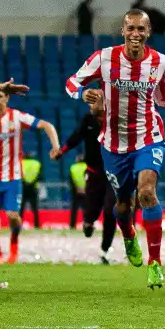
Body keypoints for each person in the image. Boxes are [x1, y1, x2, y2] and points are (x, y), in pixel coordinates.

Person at [66, 9, 165, 289]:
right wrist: (83, 93)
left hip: (148, 137)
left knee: (147, 192)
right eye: (131, 29)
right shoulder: (104, 58)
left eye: (141, 29)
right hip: (113, 144)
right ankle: (128, 234)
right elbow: (71, 83)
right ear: (122, 30)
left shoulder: (158, 62)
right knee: (122, 205)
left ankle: (155, 263)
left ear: (149, 32)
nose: (136, 34)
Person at [0, 90, 59, 264]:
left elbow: (47, 125)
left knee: (12, 215)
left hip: (12, 177)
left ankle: (14, 244)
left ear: (7, 98)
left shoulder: (17, 117)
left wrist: (55, 146)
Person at [51, 102, 119, 263]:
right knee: (91, 213)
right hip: (94, 174)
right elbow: (76, 136)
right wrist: (62, 151)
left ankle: (104, 250)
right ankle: (88, 223)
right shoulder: (87, 119)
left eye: (96, 100)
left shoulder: (116, 118)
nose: (92, 104)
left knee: (111, 211)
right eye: (91, 101)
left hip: (114, 174)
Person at [68, 156, 87, 229]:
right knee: (86, 210)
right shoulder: (87, 167)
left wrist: (76, 188)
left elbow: (70, 179)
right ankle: (87, 224)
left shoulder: (73, 167)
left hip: (75, 192)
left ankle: (72, 225)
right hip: (86, 191)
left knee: (74, 209)